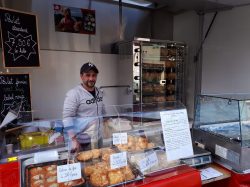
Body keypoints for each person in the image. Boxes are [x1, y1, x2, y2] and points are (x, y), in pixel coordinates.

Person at [63, 62, 104, 152]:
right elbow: (67, 118)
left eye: (94, 75)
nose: (91, 78)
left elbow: (102, 112)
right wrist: (74, 139)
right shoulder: (74, 94)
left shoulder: (99, 92)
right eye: (88, 75)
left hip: (98, 137)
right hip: (81, 141)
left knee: (99, 164)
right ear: (81, 76)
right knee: (85, 165)